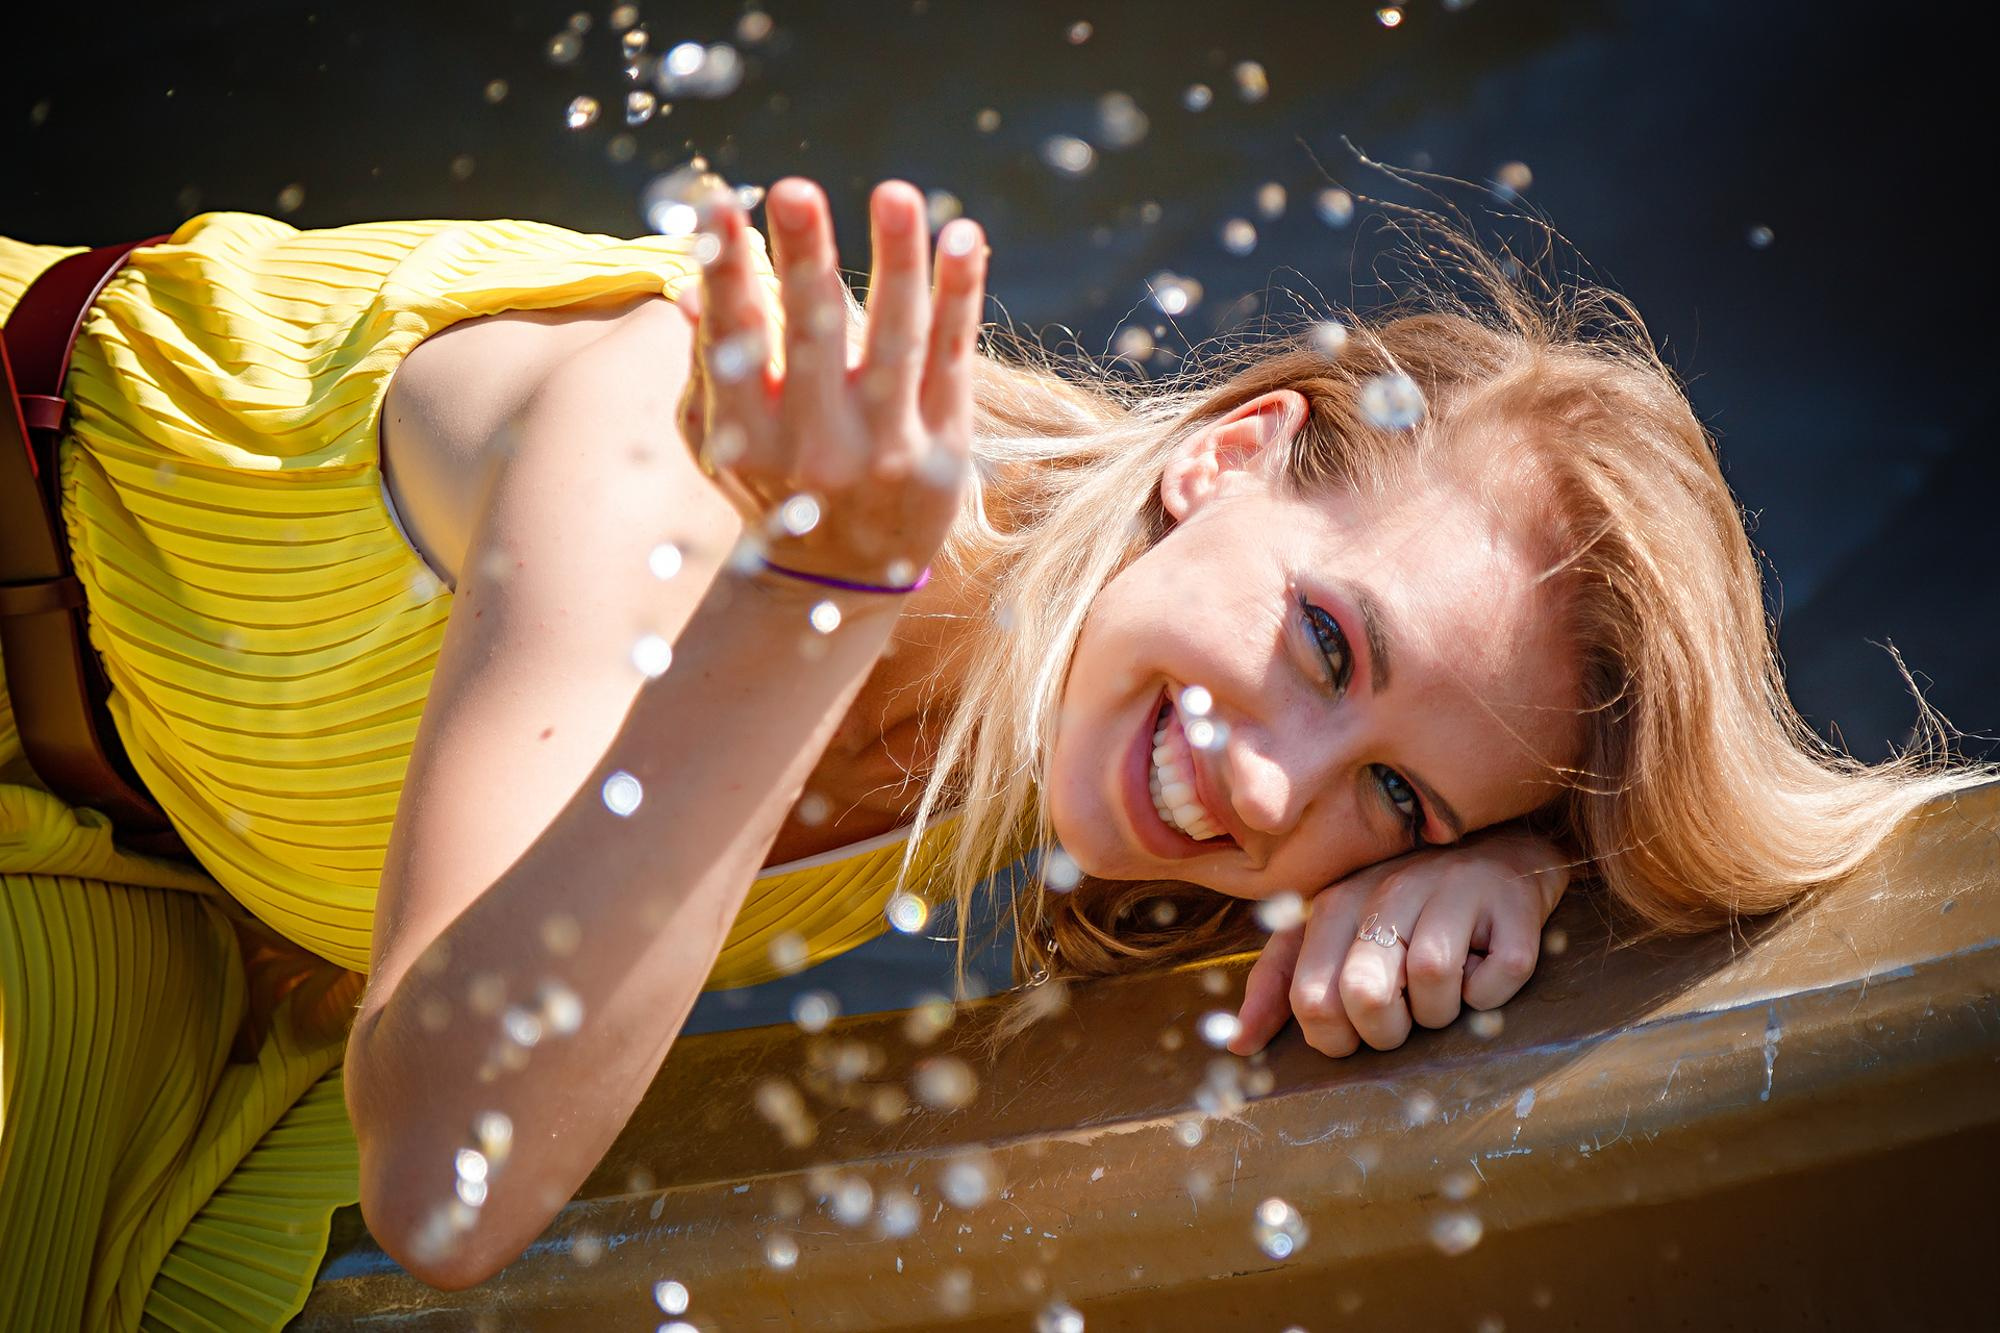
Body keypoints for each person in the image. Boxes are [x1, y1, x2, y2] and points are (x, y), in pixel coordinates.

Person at [0, 175, 1976, 1322]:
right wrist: (813, 597)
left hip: (188, 949)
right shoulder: (695, 443)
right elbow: (454, 1174)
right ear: (1219, 461)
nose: (1265, 782)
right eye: (1322, 640)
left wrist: (1518, 865)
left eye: (1386, 787)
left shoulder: (1088, 713)